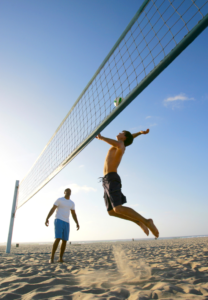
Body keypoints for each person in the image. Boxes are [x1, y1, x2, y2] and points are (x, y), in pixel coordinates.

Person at [96, 129, 159, 238]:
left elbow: (123, 141)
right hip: (106, 180)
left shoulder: (120, 145)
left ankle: (147, 221)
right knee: (111, 212)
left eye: (121, 133)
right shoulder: (121, 143)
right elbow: (130, 138)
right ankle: (139, 222)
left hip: (112, 178)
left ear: (123, 137)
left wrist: (102, 138)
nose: (119, 133)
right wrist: (139, 133)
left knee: (118, 208)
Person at [45, 188, 80, 263]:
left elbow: (73, 214)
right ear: (64, 192)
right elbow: (53, 209)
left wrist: (77, 222)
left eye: (70, 191)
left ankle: (60, 258)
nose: (68, 192)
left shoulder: (71, 203)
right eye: (67, 191)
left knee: (64, 240)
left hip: (66, 222)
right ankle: (51, 258)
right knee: (58, 238)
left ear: (71, 193)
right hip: (58, 220)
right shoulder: (59, 200)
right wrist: (47, 218)